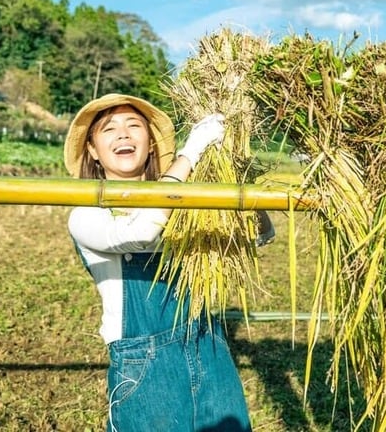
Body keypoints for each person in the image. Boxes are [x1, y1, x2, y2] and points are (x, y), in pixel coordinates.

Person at [63, 93, 253, 432]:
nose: (123, 134)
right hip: (144, 364)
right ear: (92, 150)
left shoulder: (189, 198)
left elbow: (255, 236)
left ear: (150, 143)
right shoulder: (85, 214)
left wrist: (241, 176)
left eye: (133, 125)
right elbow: (142, 234)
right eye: (109, 129)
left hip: (207, 345)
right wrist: (191, 153)